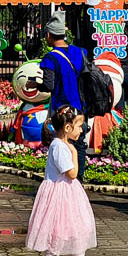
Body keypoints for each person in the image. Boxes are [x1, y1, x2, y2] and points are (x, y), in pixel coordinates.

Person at [26, 106, 98, 256]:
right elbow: (72, 173)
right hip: (58, 198)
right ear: (67, 128)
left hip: (70, 196)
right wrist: (74, 152)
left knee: (80, 231)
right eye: (79, 126)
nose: (81, 130)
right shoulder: (59, 147)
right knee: (57, 237)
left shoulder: (63, 145)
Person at [35, 18, 90, 181]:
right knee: (79, 143)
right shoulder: (80, 52)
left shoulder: (50, 58)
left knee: (62, 142)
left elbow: (49, 85)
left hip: (63, 109)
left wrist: (36, 84)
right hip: (80, 107)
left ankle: (64, 179)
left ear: (49, 35)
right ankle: (78, 179)